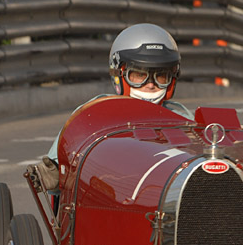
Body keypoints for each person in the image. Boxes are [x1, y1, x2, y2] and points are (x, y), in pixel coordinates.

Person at [34, 24, 190, 192]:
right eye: (139, 75)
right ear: (119, 74)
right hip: (107, 195)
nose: (151, 84)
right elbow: (54, 174)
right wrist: (56, 170)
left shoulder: (183, 118)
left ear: (172, 78)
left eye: (160, 76)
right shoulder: (94, 113)